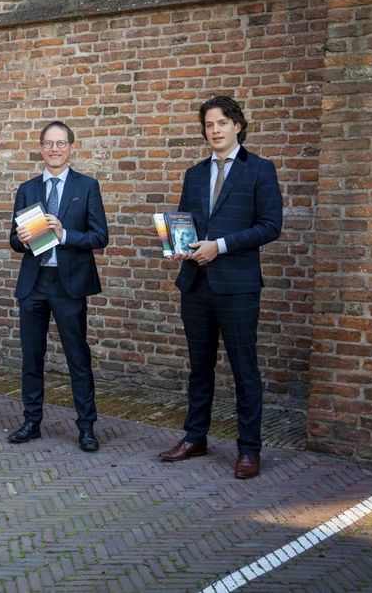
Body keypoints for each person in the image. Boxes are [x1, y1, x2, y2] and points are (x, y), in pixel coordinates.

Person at [158, 96, 283, 479]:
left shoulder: (260, 170)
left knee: (244, 369)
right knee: (199, 367)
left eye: (223, 123)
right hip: (195, 283)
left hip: (238, 286)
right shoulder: (195, 173)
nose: (215, 130)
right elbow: (185, 221)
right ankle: (195, 437)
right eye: (210, 124)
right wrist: (180, 247)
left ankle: (249, 449)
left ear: (238, 126)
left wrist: (221, 246)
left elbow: (270, 226)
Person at [8, 121, 108, 452]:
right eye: (48, 143)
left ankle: (86, 427)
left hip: (69, 285)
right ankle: (31, 421)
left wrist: (64, 234)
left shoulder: (87, 186)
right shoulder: (28, 188)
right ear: (40, 148)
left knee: (77, 357)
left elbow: (99, 237)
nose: (54, 149)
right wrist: (22, 240)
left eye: (60, 143)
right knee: (31, 357)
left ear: (70, 147)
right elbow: (14, 239)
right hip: (34, 283)